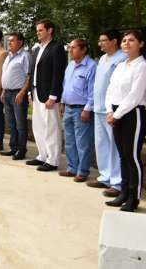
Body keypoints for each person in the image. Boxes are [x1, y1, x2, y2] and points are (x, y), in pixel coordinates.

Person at [104, 30, 146, 212]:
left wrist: (117, 114)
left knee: (132, 156)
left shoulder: (142, 66)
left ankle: (133, 197)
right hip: (115, 113)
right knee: (122, 155)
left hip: (132, 114)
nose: (127, 43)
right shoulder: (121, 65)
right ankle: (124, 192)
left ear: (141, 44)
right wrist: (109, 111)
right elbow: (110, 90)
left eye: (132, 40)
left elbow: (135, 96)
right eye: (124, 40)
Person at [87, 30, 126, 197]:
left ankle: (117, 182)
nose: (100, 43)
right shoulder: (102, 59)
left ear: (114, 41)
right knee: (101, 144)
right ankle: (105, 176)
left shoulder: (122, 58)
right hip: (98, 108)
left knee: (115, 146)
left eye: (103, 40)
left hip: (112, 110)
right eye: (99, 40)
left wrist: (114, 110)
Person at [27, 20, 67, 172]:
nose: (38, 32)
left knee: (51, 127)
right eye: (37, 30)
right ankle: (42, 155)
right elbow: (32, 72)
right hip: (36, 92)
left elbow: (58, 74)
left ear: (50, 30)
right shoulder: (37, 49)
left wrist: (53, 96)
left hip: (49, 95)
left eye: (40, 30)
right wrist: (30, 92)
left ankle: (53, 160)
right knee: (38, 126)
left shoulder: (57, 48)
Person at [59, 39, 97, 182]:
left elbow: (93, 90)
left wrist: (88, 109)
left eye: (73, 47)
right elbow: (65, 85)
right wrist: (62, 102)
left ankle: (82, 171)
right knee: (69, 141)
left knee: (83, 143)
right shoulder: (70, 65)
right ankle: (72, 168)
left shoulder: (92, 66)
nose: (70, 50)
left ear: (83, 50)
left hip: (81, 110)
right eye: (70, 47)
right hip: (68, 108)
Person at [0, 33, 30, 160]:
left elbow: (29, 76)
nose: (9, 43)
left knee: (20, 124)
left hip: (18, 94)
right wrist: (3, 91)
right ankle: (13, 148)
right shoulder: (8, 56)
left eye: (12, 41)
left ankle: (21, 150)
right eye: (8, 41)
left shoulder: (25, 56)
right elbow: (6, 75)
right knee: (11, 123)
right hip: (7, 93)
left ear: (20, 42)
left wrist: (22, 93)